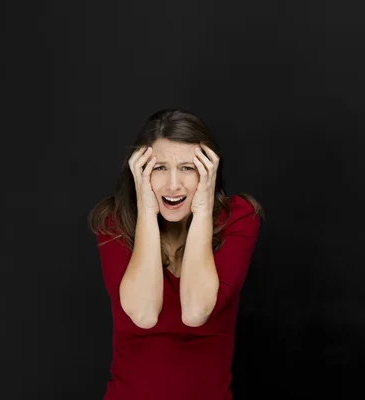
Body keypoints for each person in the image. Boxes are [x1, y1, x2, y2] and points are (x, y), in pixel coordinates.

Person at [88, 109, 264, 400]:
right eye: (158, 168)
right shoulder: (114, 221)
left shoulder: (239, 217)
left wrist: (203, 209)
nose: (173, 185)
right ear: (140, 172)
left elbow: (196, 312)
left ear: (208, 171)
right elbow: (144, 314)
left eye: (187, 168)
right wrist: (146, 208)